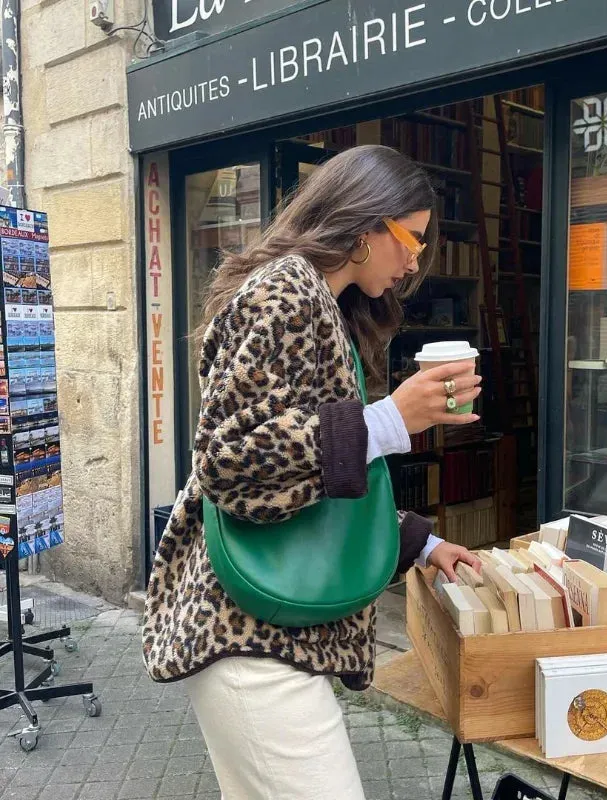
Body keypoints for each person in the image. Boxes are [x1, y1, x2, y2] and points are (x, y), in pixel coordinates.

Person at [142, 144, 484, 800]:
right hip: (246, 635)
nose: (415, 261)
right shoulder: (289, 290)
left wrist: (422, 543)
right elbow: (227, 461)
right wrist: (390, 420)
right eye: (410, 239)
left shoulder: (323, 305)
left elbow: (319, 484)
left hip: (266, 632)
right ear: (364, 225)